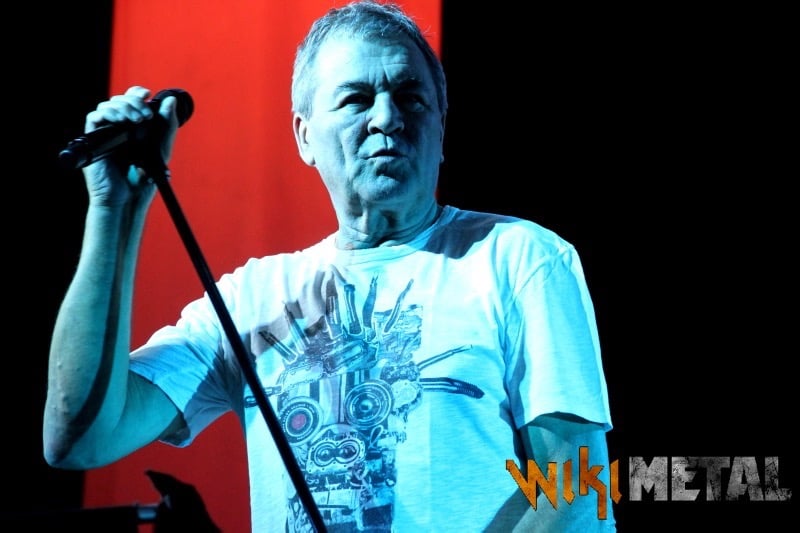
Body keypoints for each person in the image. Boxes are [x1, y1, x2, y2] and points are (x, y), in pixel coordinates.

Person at [43, 1, 616, 531]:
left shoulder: (519, 258)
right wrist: (113, 212)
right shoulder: (250, 299)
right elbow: (79, 438)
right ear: (304, 137)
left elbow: (575, 490)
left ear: (441, 127)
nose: (387, 117)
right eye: (356, 99)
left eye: (411, 97)